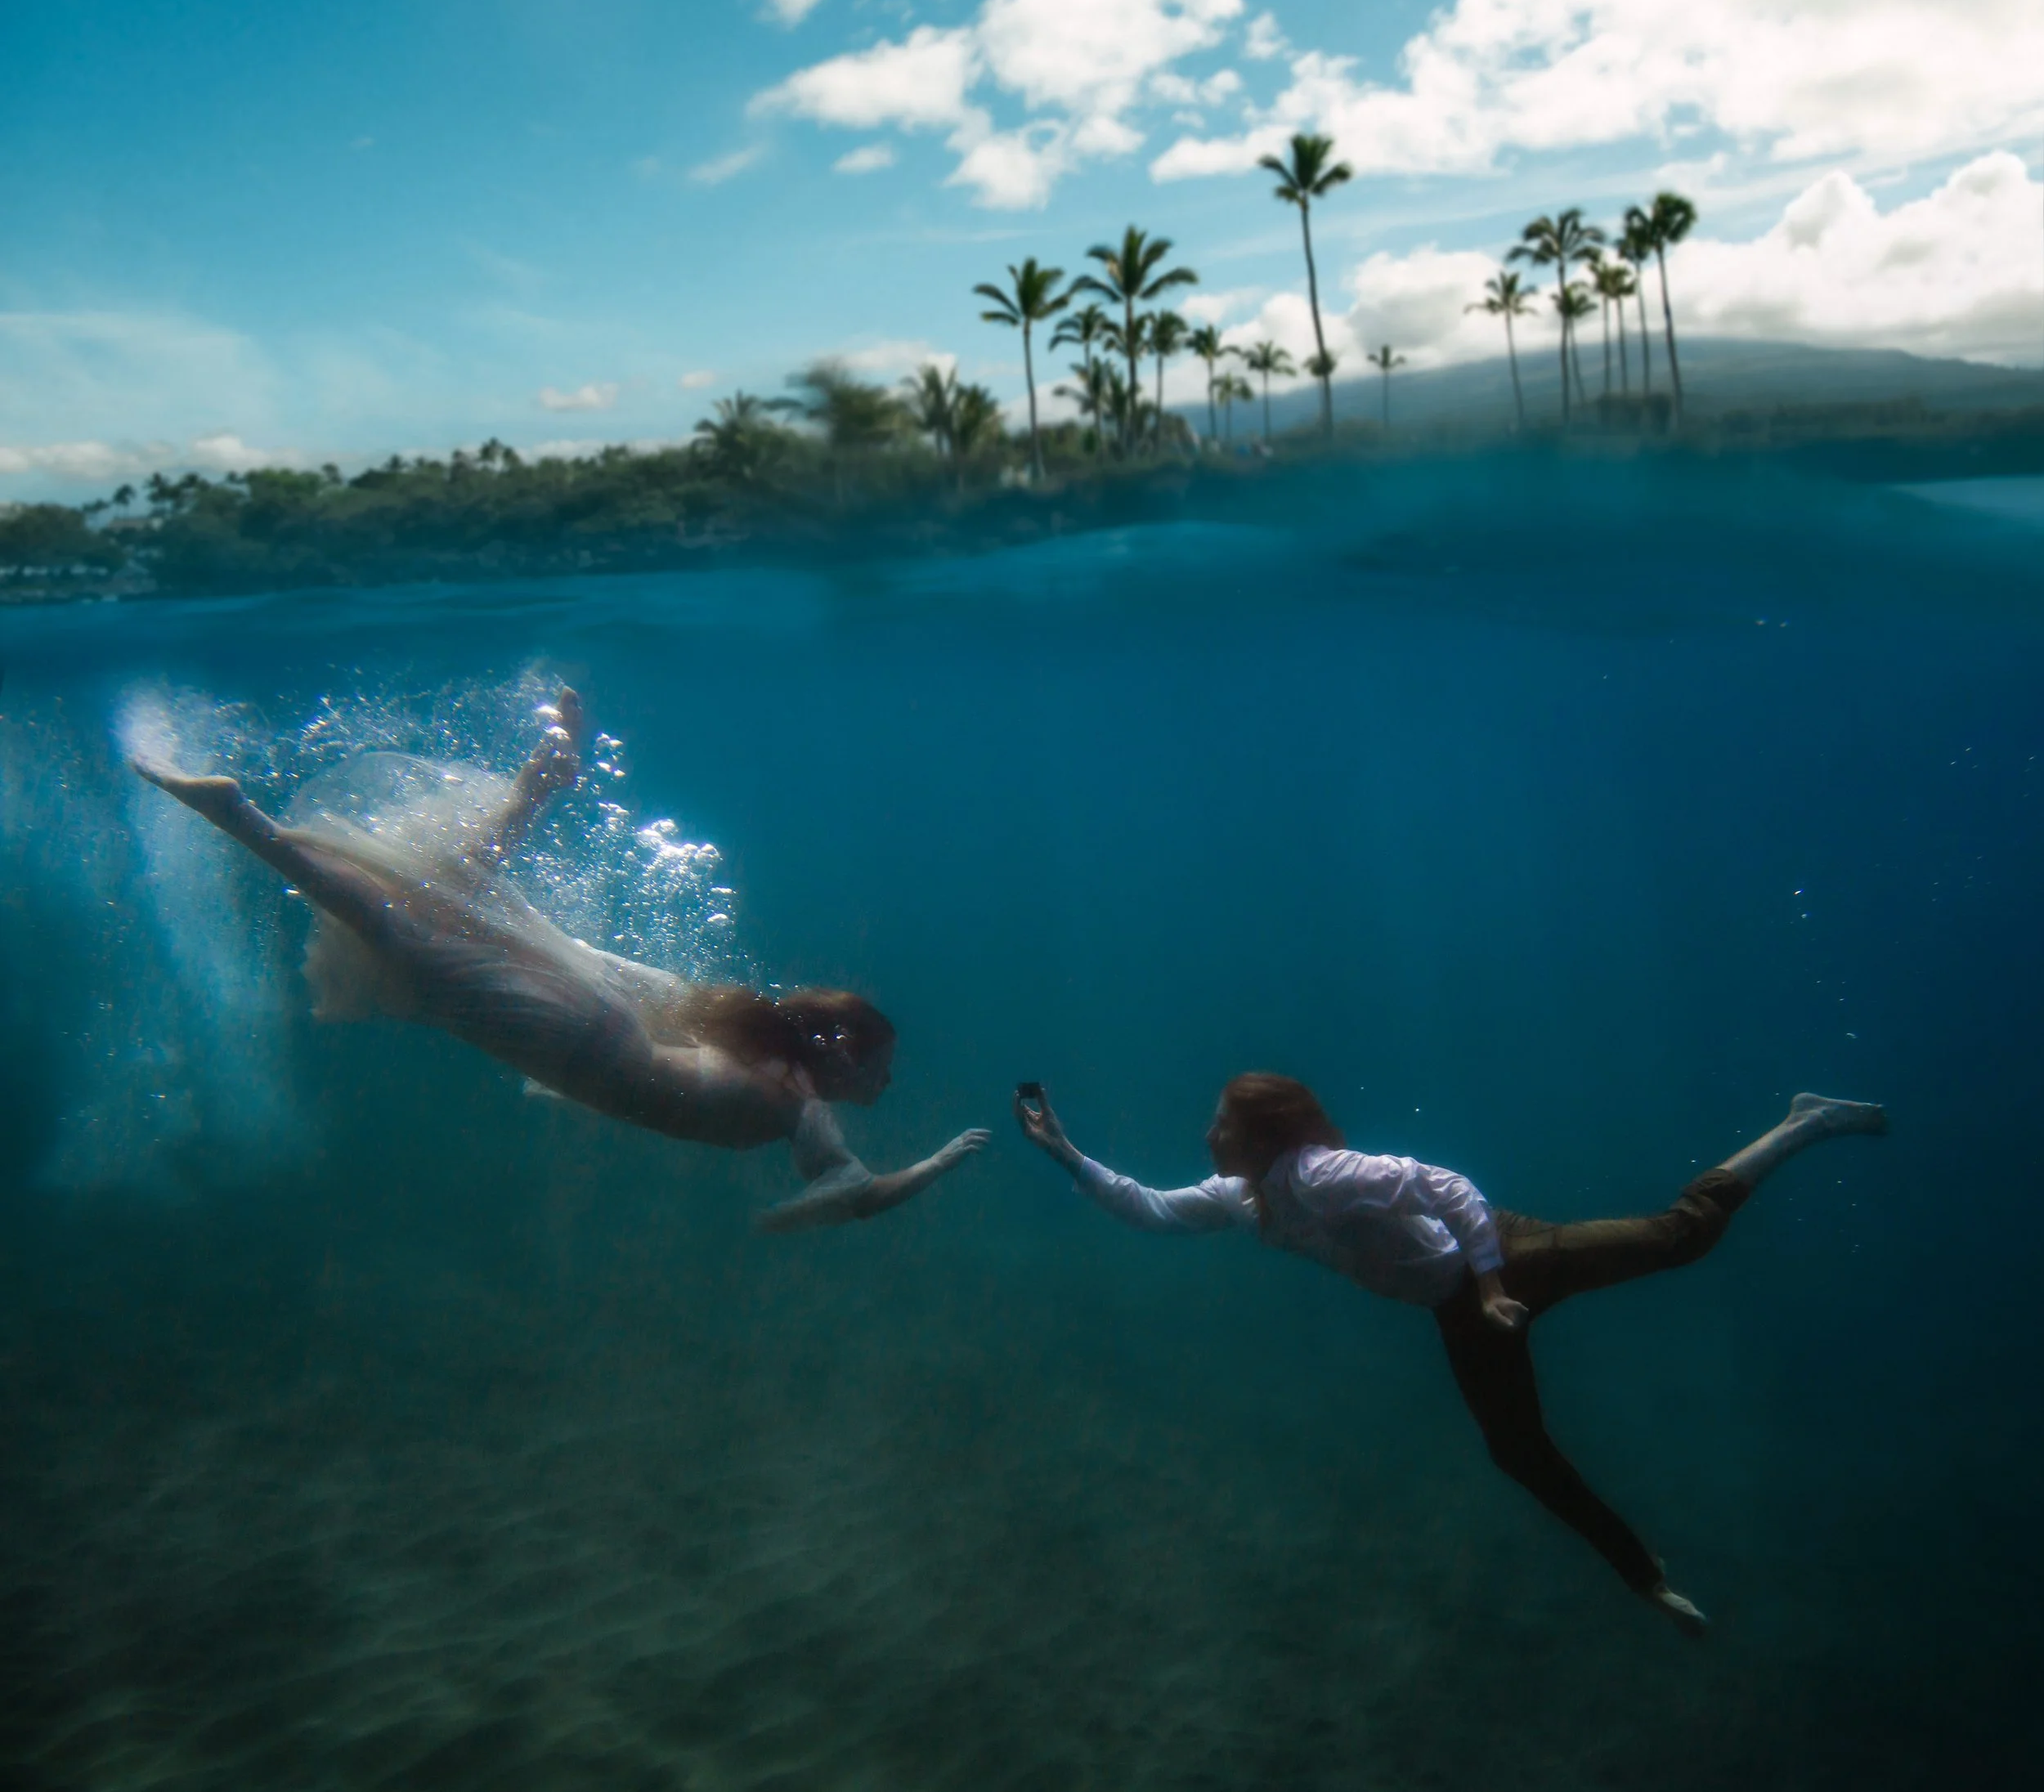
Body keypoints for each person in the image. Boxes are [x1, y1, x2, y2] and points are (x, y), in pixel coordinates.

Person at [1014, 1070, 1886, 1629]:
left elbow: (1450, 1185)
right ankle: (1642, 1573)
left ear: (1261, 1133)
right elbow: (1150, 1208)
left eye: (1219, 1124)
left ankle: (1803, 1121)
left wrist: (1495, 1279)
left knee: (1675, 1236)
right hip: (1457, 1306)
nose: (1207, 1135)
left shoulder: (1317, 1172)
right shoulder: (1243, 1197)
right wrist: (1062, 1151)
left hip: (1504, 1257)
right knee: (1514, 1449)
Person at [132, 691, 988, 1229]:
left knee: (451, 903)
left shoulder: (755, 1045)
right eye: (879, 1066)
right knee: (414, 941)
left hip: (598, 1017)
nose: (884, 1084)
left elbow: (640, 982)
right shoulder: (801, 1105)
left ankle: (539, 784)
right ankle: (240, 819)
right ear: (835, 1052)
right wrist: (944, 1159)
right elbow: (854, 1196)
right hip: (585, 1039)